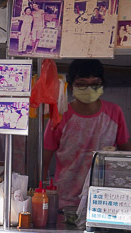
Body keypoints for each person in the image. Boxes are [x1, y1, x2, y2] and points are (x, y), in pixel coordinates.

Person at [44, 59, 131, 211]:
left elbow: (126, 154)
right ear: (70, 86)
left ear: (102, 84)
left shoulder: (114, 112)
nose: (89, 89)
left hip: (105, 199)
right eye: (82, 84)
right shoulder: (60, 115)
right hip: (66, 199)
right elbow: (44, 159)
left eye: (95, 83)